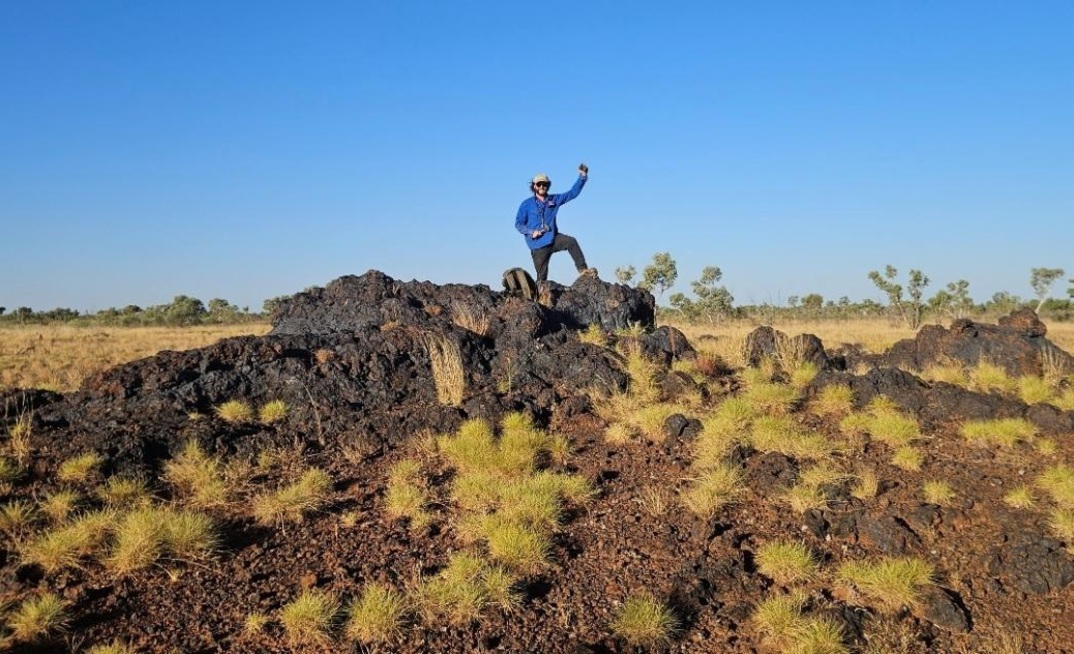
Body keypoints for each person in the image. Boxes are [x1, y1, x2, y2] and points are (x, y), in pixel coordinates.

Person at [514, 163, 597, 282]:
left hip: (553, 239)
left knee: (571, 242)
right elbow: (518, 224)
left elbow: (572, 193)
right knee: (542, 280)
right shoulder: (526, 204)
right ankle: (539, 297)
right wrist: (531, 232)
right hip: (538, 245)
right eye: (539, 184)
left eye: (545, 184)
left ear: (548, 186)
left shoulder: (554, 200)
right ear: (534, 186)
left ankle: (583, 270)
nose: (542, 186)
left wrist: (582, 177)